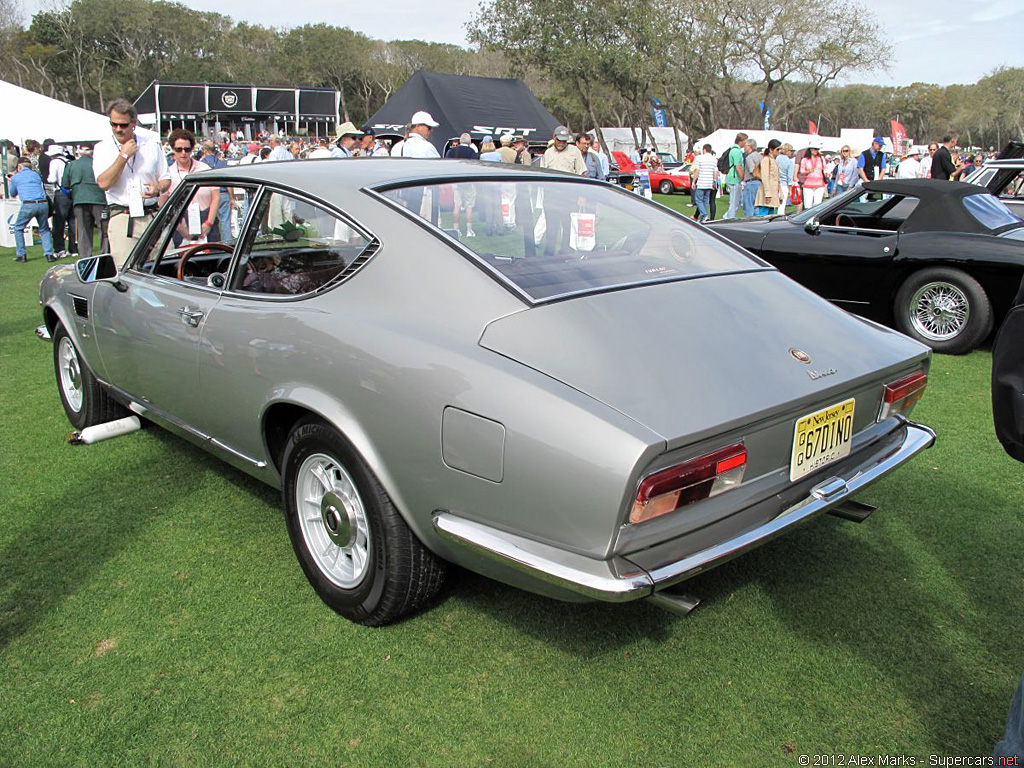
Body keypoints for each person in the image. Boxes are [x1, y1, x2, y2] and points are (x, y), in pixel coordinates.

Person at [94, 98, 170, 268]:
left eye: (123, 125)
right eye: (114, 125)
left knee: (165, 267)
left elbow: (166, 178)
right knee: (126, 274)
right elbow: (103, 183)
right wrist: (123, 156)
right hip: (123, 217)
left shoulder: (151, 145)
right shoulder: (102, 148)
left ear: (134, 123)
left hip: (152, 215)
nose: (118, 129)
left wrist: (158, 188)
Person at [164, 128, 220, 244]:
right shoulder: (168, 174)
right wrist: (179, 226)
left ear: (192, 149)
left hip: (206, 217)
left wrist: (209, 222)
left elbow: (216, 197)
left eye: (187, 149)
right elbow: (164, 203)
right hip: (180, 222)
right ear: (173, 150)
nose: (183, 153)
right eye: (179, 149)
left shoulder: (204, 169)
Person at [61, 145, 106, 258]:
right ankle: (106, 254)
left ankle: (85, 257)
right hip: (99, 199)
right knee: (104, 229)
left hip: (79, 200)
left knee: (83, 230)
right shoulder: (99, 163)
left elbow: (64, 185)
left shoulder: (71, 165)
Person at [8, 156, 56, 262]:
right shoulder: (36, 175)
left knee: (18, 228)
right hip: (43, 203)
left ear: (19, 166)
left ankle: (21, 254)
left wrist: (12, 181)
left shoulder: (16, 177)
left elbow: (12, 193)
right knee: (44, 229)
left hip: (28, 204)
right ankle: (49, 254)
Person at [45, 144, 76, 258]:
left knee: (59, 222)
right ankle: (73, 249)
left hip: (60, 193)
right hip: (72, 193)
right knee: (72, 222)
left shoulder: (54, 162)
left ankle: (60, 249)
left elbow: (52, 178)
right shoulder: (70, 161)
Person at [691, 143, 718, 222]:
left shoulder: (700, 158)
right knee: (706, 200)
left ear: (704, 150)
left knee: (698, 200)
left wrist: (694, 181)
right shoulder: (714, 160)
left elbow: (697, 171)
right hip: (709, 183)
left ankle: (704, 215)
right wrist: (714, 181)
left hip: (702, 182)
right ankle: (703, 218)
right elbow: (715, 172)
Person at [797, 139, 827, 210]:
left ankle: (816, 220)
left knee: (818, 206)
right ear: (810, 149)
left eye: (817, 149)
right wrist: (808, 171)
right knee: (808, 205)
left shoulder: (821, 158)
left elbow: (825, 168)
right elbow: (801, 170)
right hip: (808, 185)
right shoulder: (805, 159)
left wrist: (826, 173)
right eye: (815, 149)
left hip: (819, 184)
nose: (816, 150)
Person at [754, 139, 782, 215]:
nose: (779, 151)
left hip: (773, 192)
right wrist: (767, 193)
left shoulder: (773, 160)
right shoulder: (766, 160)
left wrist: (780, 193)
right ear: (771, 149)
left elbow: (777, 179)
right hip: (766, 193)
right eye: (777, 149)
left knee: (771, 217)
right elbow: (765, 177)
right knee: (763, 217)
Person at [724, 132, 747, 219]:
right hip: (734, 179)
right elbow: (738, 167)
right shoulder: (737, 151)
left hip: (732, 177)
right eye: (745, 141)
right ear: (740, 141)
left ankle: (728, 216)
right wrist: (743, 178)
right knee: (734, 202)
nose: (745, 143)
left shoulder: (733, 150)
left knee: (735, 201)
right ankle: (730, 218)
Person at [742, 139, 762, 217]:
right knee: (756, 206)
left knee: (748, 206)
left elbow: (752, 170)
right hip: (759, 183)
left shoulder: (749, 157)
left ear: (749, 146)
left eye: (745, 146)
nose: (744, 148)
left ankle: (748, 222)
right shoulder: (760, 156)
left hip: (751, 182)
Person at [777, 143, 795, 213]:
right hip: (784, 185)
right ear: (787, 151)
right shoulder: (789, 162)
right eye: (791, 151)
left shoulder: (777, 158)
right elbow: (790, 176)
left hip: (776, 184)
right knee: (782, 205)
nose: (791, 153)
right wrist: (790, 189)